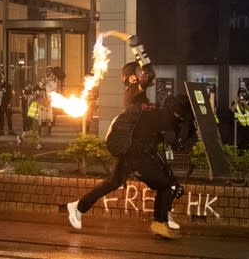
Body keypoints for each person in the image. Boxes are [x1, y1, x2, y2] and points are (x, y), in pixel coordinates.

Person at [66, 62, 184, 239]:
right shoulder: (133, 92)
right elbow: (148, 78)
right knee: (165, 184)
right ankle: (160, 221)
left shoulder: (139, 95)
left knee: (112, 183)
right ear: (131, 77)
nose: (141, 74)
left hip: (131, 150)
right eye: (138, 72)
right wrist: (145, 63)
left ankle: (78, 207)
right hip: (135, 152)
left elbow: (148, 83)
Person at [230, 81, 249, 149]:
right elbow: (232, 109)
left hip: (247, 125)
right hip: (238, 125)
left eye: (243, 94)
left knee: (247, 141)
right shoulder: (235, 102)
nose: (242, 95)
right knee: (238, 141)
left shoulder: (248, 102)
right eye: (240, 94)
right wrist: (237, 102)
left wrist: (244, 103)